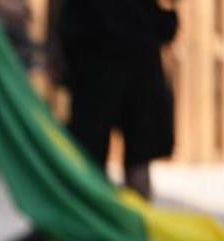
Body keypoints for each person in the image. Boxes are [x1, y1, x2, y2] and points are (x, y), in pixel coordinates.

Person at [58, 0, 179, 200]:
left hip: (98, 55)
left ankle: (101, 221)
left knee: (92, 158)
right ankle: (133, 224)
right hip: (131, 52)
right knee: (136, 159)